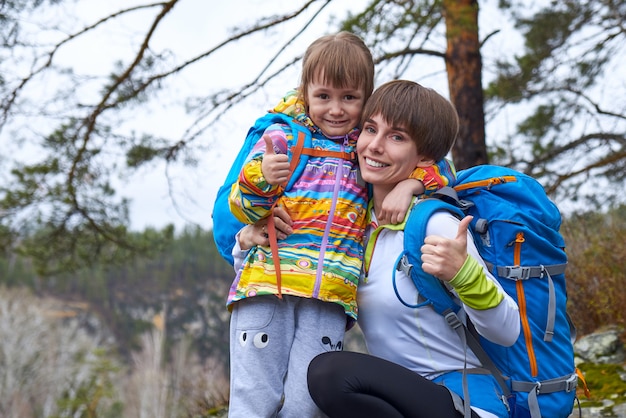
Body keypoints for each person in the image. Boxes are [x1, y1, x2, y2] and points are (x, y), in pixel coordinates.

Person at [227, 32, 456, 418]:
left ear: (365, 97)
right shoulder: (284, 138)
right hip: (270, 284)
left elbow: (443, 170)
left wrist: (410, 185)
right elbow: (241, 203)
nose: (335, 109)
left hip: (331, 297)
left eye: (349, 98)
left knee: (306, 405)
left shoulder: (363, 148)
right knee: (254, 398)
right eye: (324, 97)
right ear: (306, 92)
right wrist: (263, 179)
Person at [303, 80, 521, 418]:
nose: (374, 146)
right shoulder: (354, 227)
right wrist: (247, 239)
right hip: (398, 403)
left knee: (328, 374)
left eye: (396, 137)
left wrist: (464, 273)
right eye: (370, 129)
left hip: (469, 405)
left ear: (424, 157)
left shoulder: (434, 225)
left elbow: (507, 331)